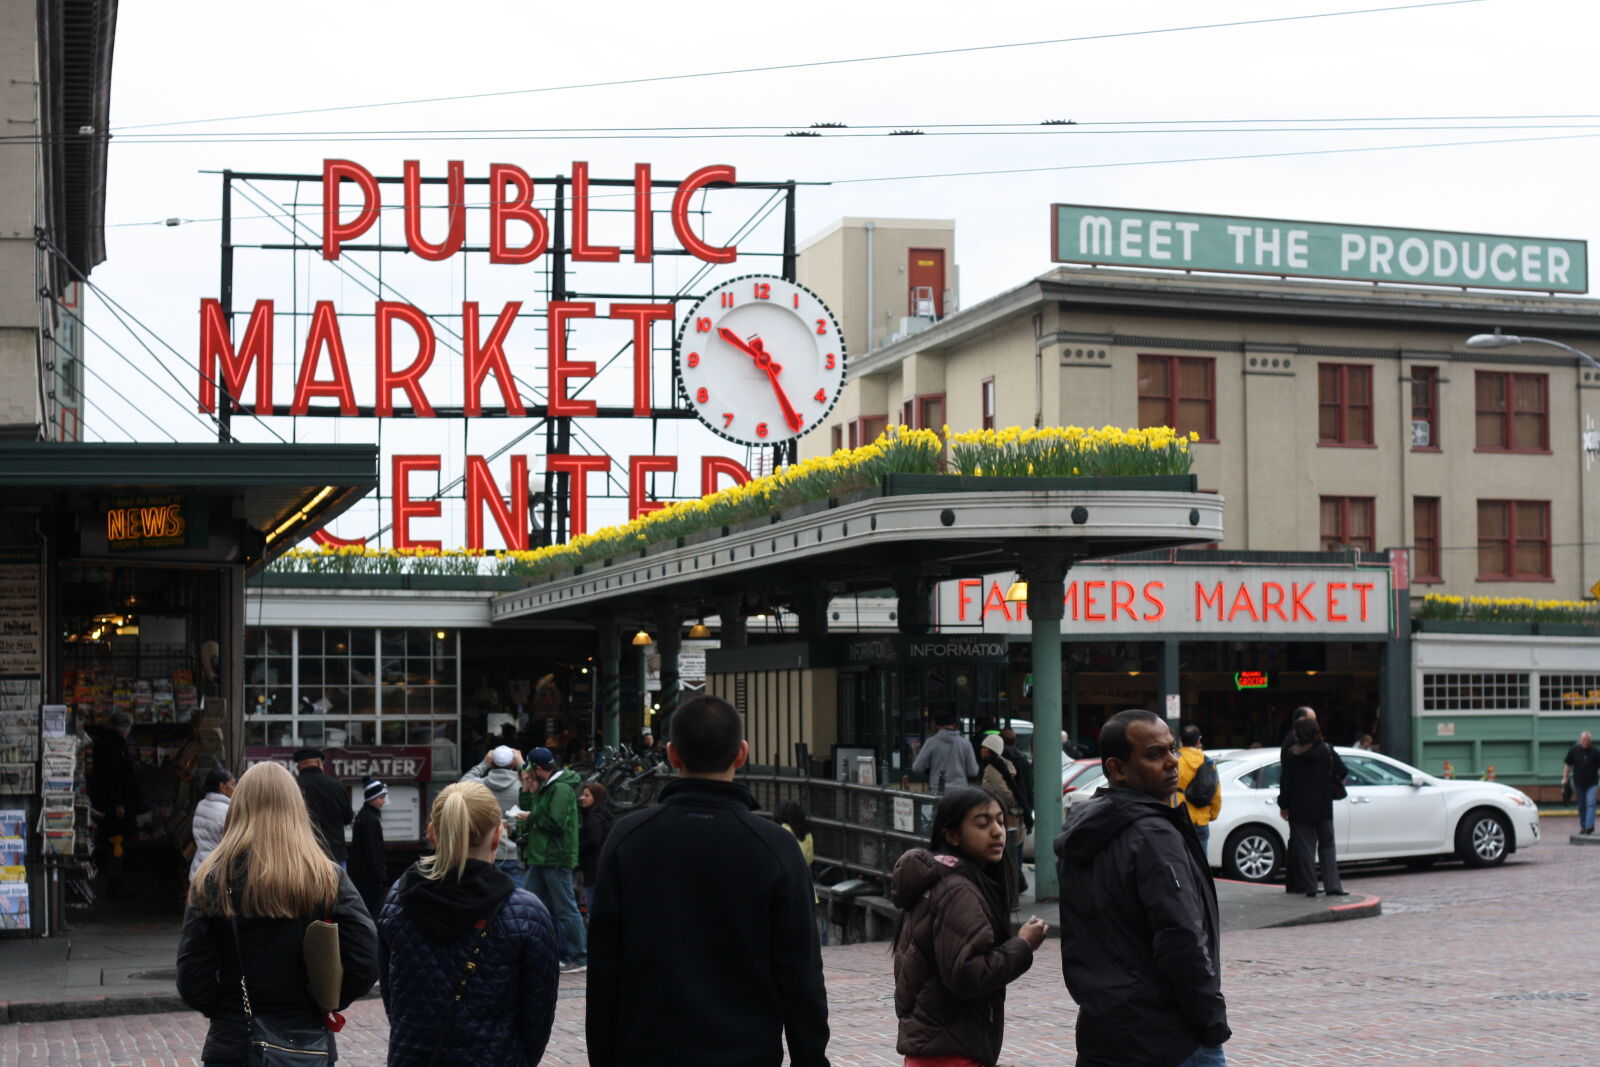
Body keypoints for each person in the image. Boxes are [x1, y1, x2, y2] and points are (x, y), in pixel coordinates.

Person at [586, 694, 829, 1067]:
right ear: (742, 753)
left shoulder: (629, 838)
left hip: (646, 1051)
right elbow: (800, 972)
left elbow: (604, 967)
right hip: (746, 1052)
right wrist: (810, 1058)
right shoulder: (776, 847)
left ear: (672, 754)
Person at [1055, 709, 1230, 1067]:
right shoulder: (1153, 835)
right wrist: (1212, 1024)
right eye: (1154, 754)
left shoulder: (1087, 829)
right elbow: (1180, 939)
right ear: (1117, 768)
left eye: (1172, 749)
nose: (1171, 762)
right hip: (1169, 1039)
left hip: (1104, 1030)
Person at [176, 762, 378, 1066]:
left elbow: (192, 978)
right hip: (305, 1040)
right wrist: (325, 1000)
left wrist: (227, 1008)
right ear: (296, 809)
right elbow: (365, 959)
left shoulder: (212, 879)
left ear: (238, 809)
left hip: (235, 1040)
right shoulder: (326, 877)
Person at [378, 780, 560, 1066]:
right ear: (498, 837)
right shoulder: (526, 913)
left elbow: (394, 999)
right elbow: (537, 1017)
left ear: (432, 834)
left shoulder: (399, 900)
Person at [891, 785, 1047, 1067]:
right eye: (983, 824)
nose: (998, 831)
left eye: (1000, 821)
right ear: (952, 835)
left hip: (937, 1050)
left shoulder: (942, 884)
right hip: (951, 1056)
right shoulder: (957, 891)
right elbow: (966, 974)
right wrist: (1023, 945)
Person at [517, 747, 586, 973]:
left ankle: (579, 956)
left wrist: (531, 817)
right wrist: (527, 790)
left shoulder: (560, 789)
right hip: (543, 857)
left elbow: (556, 821)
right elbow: (534, 810)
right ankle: (542, 952)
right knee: (529, 905)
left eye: (530, 770)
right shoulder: (548, 788)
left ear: (538, 768)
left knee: (564, 907)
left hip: (555, 857)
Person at [1277, 716, 1348, 898]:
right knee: (1327, 845)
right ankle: (1333, 886)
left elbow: (1286, 782)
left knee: (1305, 848)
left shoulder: (1292, 754)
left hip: (1299, 807)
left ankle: (1311, 887)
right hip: (1323, 805)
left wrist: (1283, 804)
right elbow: (1342, 770)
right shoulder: (1326, 750)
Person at [90, 711, 149, 898]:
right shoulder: (111, 746)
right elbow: (112, 777)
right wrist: (118, 803)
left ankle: (117, 883)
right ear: (122, 728)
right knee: (116, 842)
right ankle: (114, 885)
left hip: (117, 802)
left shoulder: (108, 743)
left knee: (117, 843)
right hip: (116, 805)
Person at [460, 745, 526, 881]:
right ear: (513, 763)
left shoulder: (479, 785)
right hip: (514, 853)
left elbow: (460, 785)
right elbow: (540, 787)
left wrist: (483, 764)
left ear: (491, 762)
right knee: (517, 896)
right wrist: (522, 765)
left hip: (486, 852)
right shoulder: (522, 786)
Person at [978, 734, 1031, 892]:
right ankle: (1017, 881)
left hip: (1005, 814)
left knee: (1008, 850)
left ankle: (1014, 883)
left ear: (990, 750)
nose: (981, 751)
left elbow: (1003, 791)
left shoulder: (991, 767)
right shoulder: (1007, 763)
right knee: (1017, 847)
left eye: (984, 748)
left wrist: (1009, 805)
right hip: (1015, 814)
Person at [293, 747, 353, 865]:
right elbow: (348, 818)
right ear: (320, 763)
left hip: (304, 856)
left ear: (298, 766)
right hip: (335, 853)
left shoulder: (293, 787)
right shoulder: (337, 786)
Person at [776, 800, 824, 945]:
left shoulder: (782, 830)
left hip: (787, 884)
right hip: (806, 885)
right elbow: (809, 859)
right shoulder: (807, 834)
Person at [1176, 725, 1223, 854]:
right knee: (1201, 864)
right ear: (1198, 741)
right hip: (1201, 819)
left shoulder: (1175, 760)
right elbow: (1215, 793)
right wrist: (1213, 814)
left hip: (1179, 816)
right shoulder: (1208, 762)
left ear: (1181, 740)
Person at [912, 709, 979, 794]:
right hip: (961, 791)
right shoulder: (965, 743)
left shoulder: (931, 742)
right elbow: (973, 771)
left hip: (938, 790)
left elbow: (917, 767)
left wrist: (928, 772)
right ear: (953, 725)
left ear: (934, 724)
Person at [349, 778, 389, 918]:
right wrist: (382, 877)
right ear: (372, 797)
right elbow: (373, 852)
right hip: (369, 878)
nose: (384, 800)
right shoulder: (370, 820)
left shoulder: (363, 816)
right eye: (381, 797)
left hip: (361, 875)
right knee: (373, 912)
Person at [188, 767, 234, 881]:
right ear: (222, 787)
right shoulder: (228, 811)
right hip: (216, 874)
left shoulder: (201, 805)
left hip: (198, 868)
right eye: (233, 784)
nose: (235, 788)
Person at [578, 781, 615, 916]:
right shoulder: (603, 815)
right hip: (600, 866)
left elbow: (593, 840)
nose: (582, 798)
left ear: (596, 799)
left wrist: (575, 848)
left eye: (587, 795)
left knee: (593, 906)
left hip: (593, 867)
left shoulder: (594, 817)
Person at [1562, 730, 1600, 834]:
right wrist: (1565, 777)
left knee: (1591, 803)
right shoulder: (1574, 750)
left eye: (1588, 740)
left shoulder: (1596, 752)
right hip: (1578, 783)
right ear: (1580, 740)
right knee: (1581, 806)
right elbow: (1567, 765)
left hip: (1592, 783)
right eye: (1584, 740)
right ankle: (1584, 827)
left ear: (1591, 741)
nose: (1586, 742)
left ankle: (1589, 826)